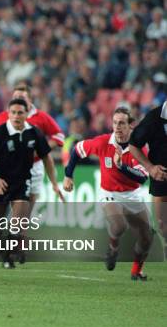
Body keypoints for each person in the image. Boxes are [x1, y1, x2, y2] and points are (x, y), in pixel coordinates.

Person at [64, 107, 153, 280]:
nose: (117, 127)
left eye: (122, 123)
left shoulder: (140, 148)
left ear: (130, 126)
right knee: (119, 226)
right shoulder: (103, 142)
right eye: (115, 123)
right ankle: (113, 248)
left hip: (132, 194)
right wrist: (68, 175)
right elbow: (77, 149)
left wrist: (121, 166)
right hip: (109, 192)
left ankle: (136, 271)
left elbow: (142, 178)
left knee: (147, 237)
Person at [0, 98, 63, 268]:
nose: (16, 116)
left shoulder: (34, 133)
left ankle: (7, 256)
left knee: (17, 222)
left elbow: (47, 157)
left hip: (22, 182)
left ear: (27, 114)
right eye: (13, 113)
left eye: (20, 113)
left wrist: (54, 183)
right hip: (1, 183)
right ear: (8, 114)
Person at [0, 85, 64, 205]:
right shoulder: (4, 117)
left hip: (34, 168)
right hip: (9, 167)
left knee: (24, 214)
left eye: (21, 97)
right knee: (3, 211)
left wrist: (41, 148)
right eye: (15, 97)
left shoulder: (41, 117)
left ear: (30, 100)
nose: (17, 99)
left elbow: (59, 136)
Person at [129, 100, 167, 259]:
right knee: (162, 226)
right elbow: (134, 145)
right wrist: (150, 168)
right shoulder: (154, 118)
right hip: (162, 177)